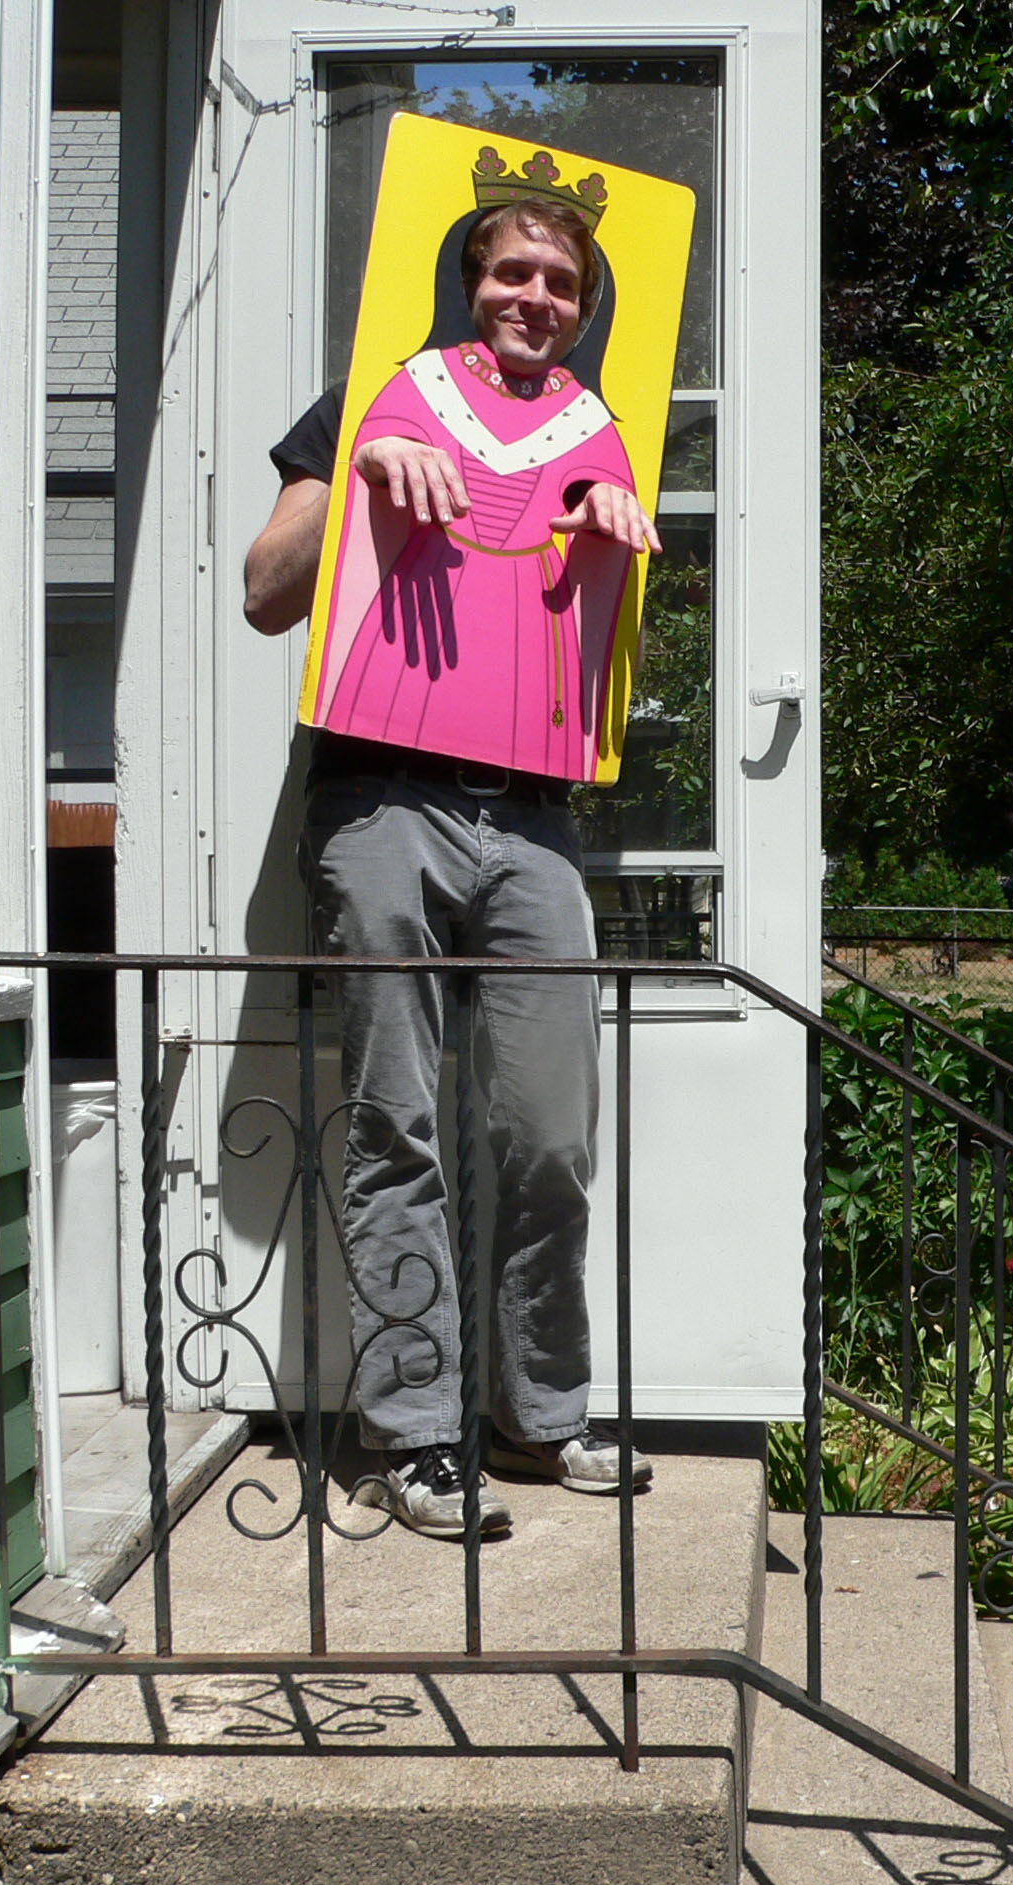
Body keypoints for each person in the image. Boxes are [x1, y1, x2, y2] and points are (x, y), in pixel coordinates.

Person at [242, 192, 661, 1540]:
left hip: (533, 819)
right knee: (399, 1125)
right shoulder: (371, 403)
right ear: (466, 282)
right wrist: (360, 471)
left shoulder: (598, 439)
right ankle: (418, 1437)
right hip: (383, 802)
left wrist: (615, 523)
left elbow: (591, 642)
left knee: (548, 1132)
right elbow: (264, 592)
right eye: (512, 271)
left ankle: (536, 1417)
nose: (535, 296)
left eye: (561, 282)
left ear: (584, 309)